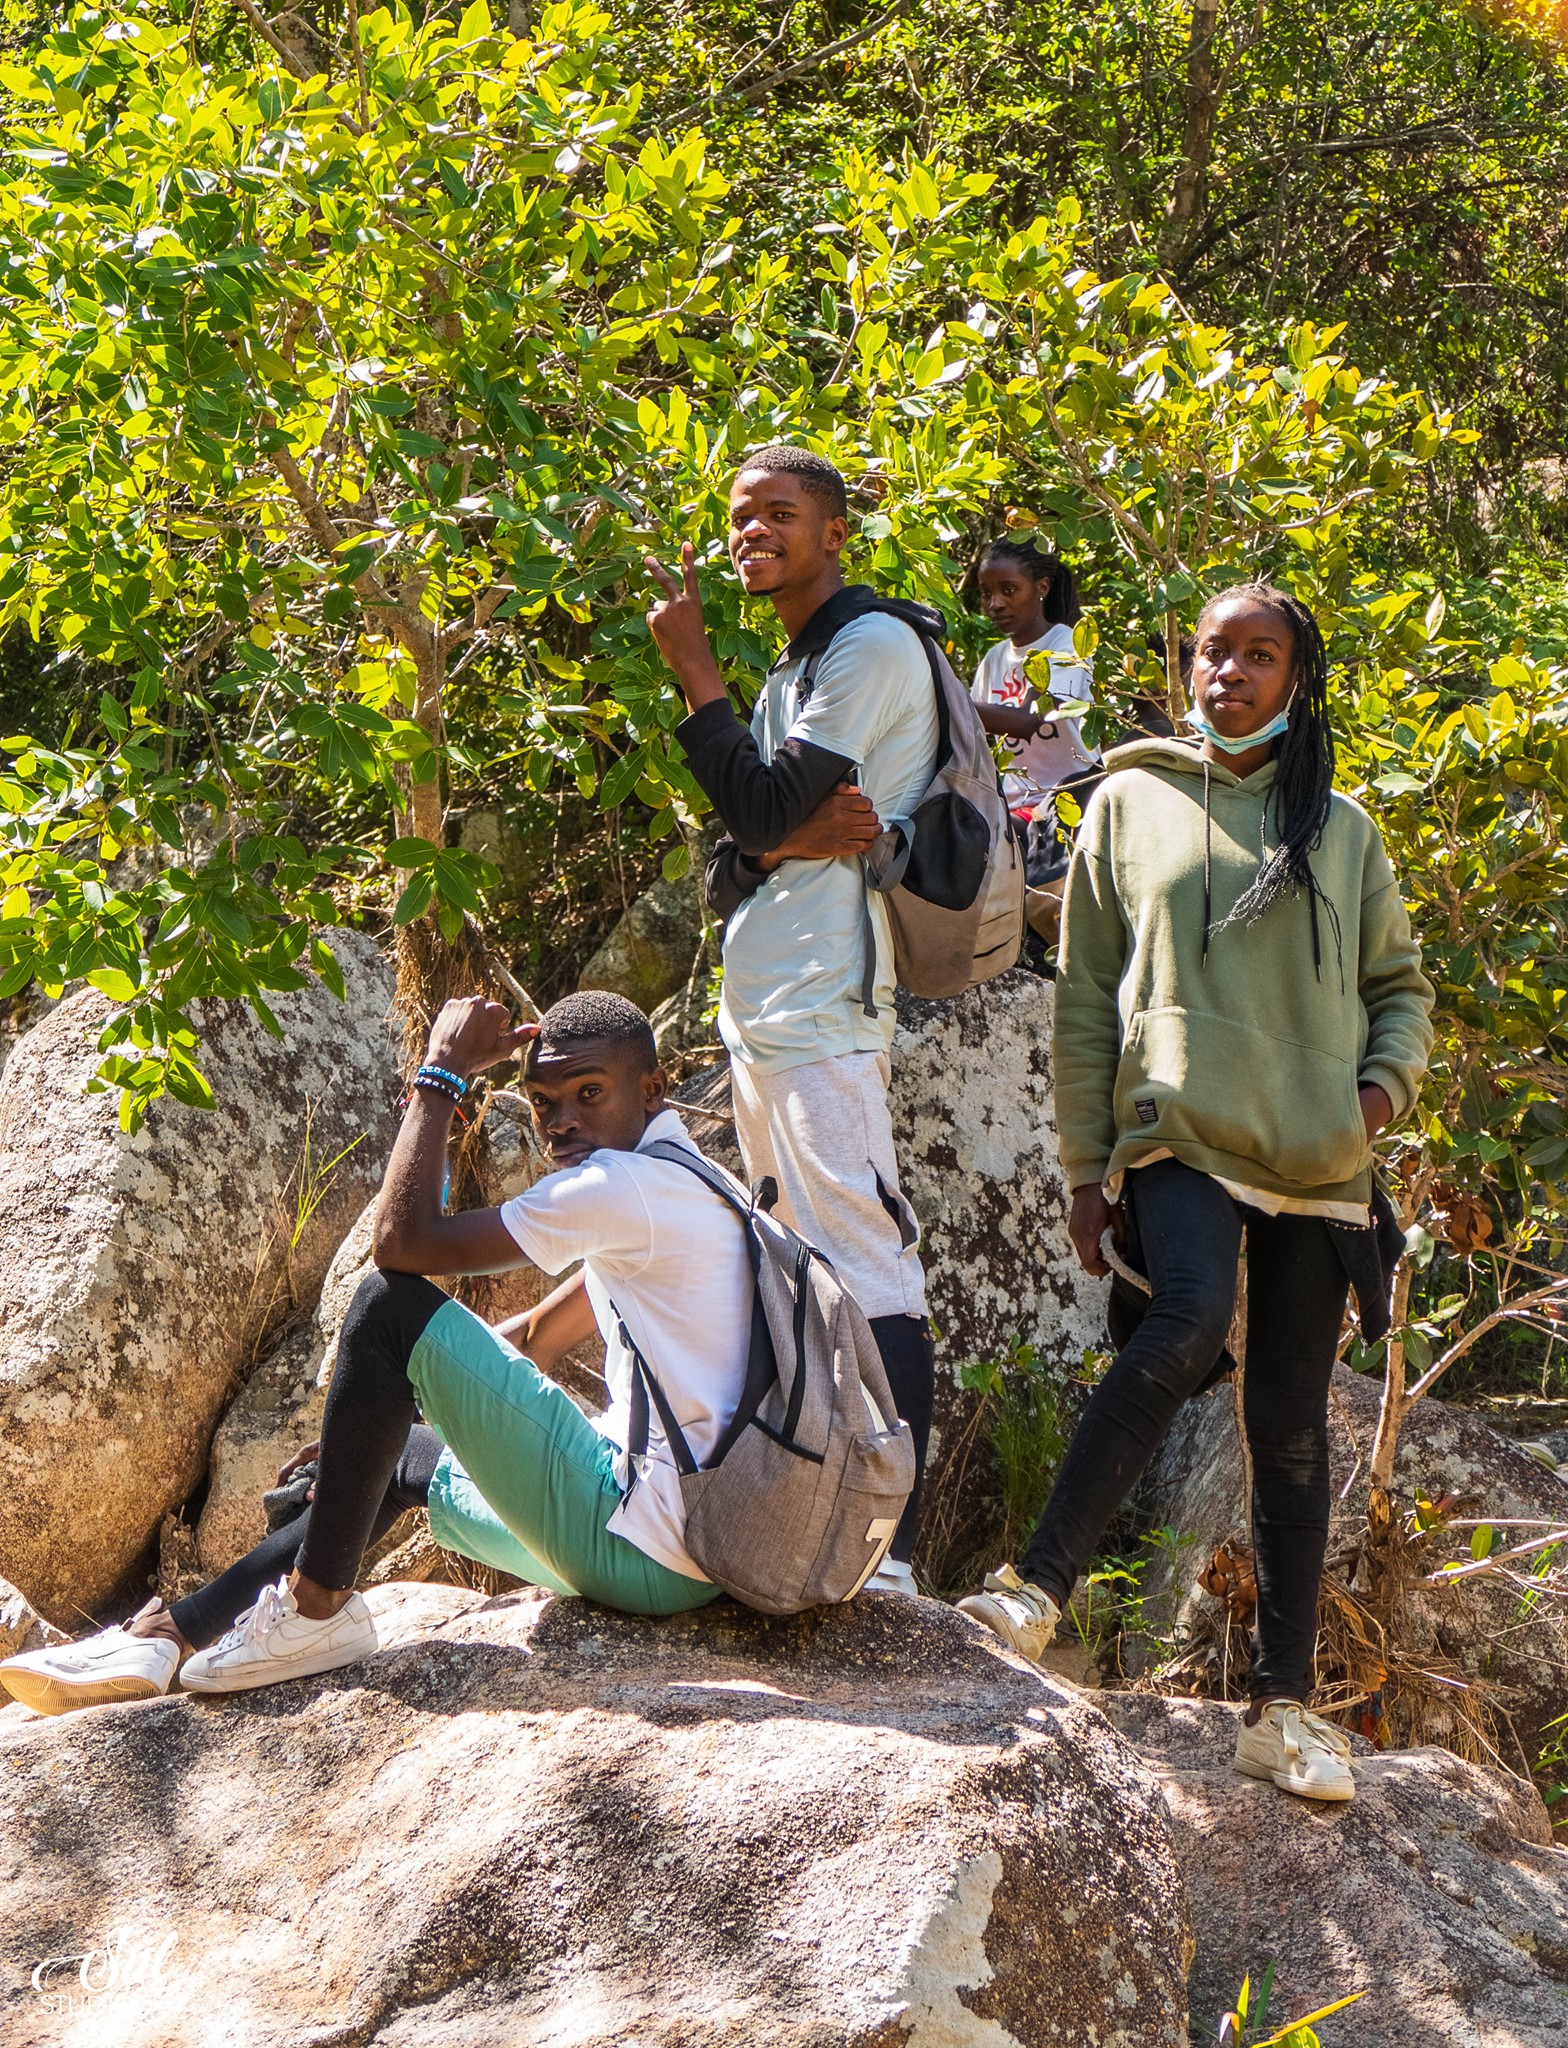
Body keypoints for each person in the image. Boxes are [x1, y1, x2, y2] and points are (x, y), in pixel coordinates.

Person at [957, 581, 1435, 1804]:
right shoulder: (1128, 799)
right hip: (1180, 1136)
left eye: (1257, 654)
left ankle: (1280, 1710)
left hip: (1318, 1170)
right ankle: (1032, 1588)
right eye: (1213, 651)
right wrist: (1081, 1166)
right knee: (1178, 1323)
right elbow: (1082, 1000)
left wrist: (1366, 1105)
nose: (1227, 671)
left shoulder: (1340, 825)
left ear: (1294, 678)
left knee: (1284, 1420)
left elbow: (1400, 993)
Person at [0, 991, 752, 1716]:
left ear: (653, 1088)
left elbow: (401, 1247)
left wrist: (441, 1075)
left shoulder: (625, 1188)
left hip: (641, 1544)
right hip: (696, 1554)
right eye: (544, 1101)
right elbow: (532, 1340)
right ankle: (169, 1636)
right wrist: (362, 1430)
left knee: (388, 1306)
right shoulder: (698, 1186)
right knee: (385, 1464)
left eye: (589, 1093)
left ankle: (316, 1609)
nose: (561, 1121)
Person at [643, 444, 938, 1595]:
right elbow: (734, 852)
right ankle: (826, 1527)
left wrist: (694, 672)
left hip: (825, 1001)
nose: (750, 531)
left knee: (868, 1267)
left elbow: (757, 806)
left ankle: (895, 1554)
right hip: (765, 1004)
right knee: (801, 1267)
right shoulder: (791, 672)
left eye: (778, 513)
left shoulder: (865, 648)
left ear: (834, 533)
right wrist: (768, 830)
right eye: (737, 515)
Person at [969, 535, 1097, 822]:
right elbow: (973, 739)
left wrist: (938, 696)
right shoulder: (994, 659)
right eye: (986, 593)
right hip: (1016, 808)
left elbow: (1028, 720)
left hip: (1073, 799)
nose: (995, 604)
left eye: (1009, 590)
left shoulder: (1068, 646)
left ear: (1042, 587)